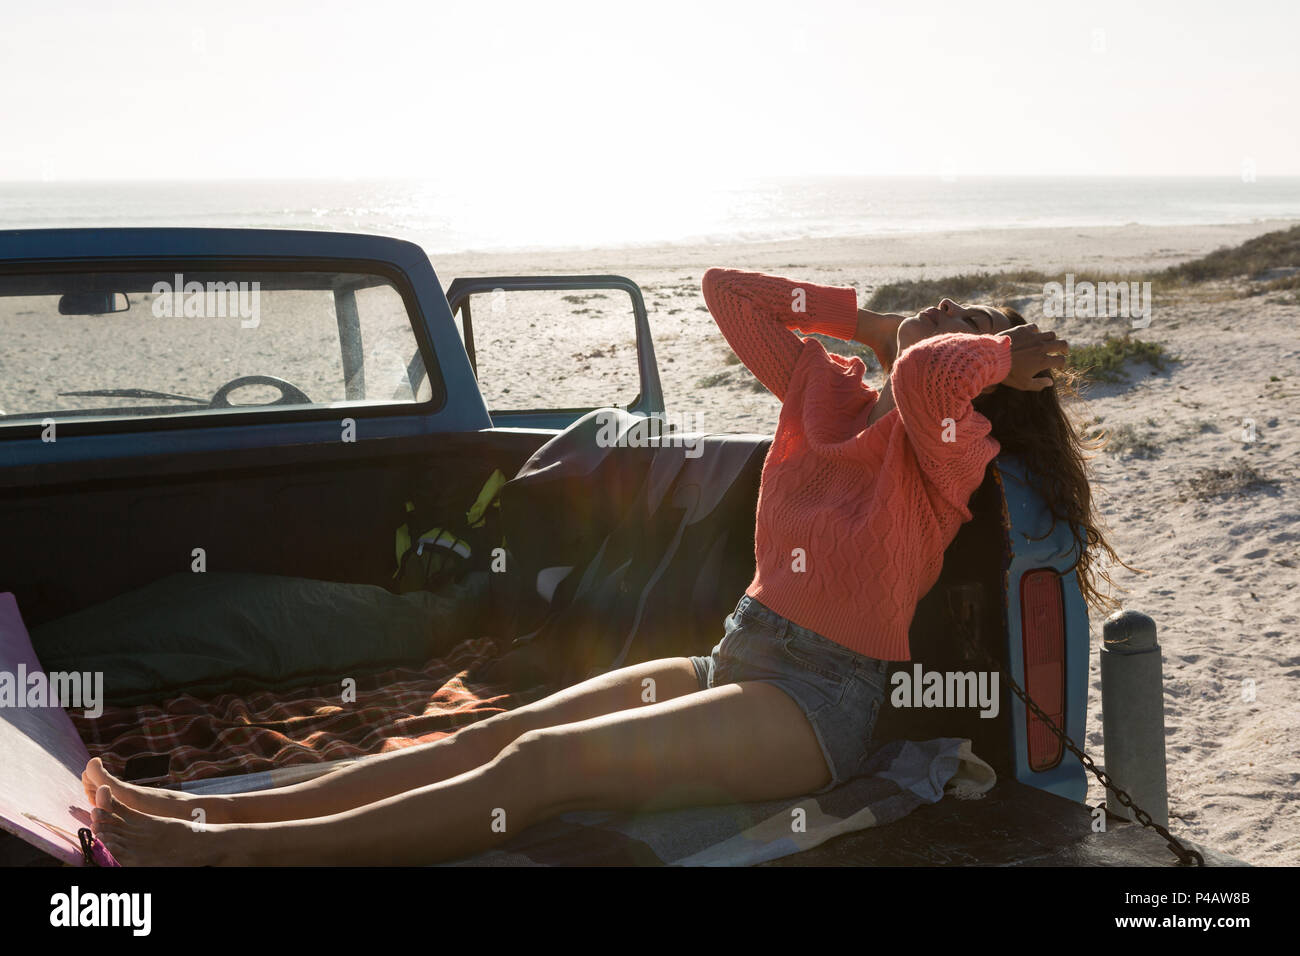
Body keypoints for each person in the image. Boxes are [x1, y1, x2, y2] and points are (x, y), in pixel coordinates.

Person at [84, 267, 1122, 866]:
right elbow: (732, 294)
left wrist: (972, 342)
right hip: (740, 658)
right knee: (502, 729)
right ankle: (213, 809)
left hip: (817, 707)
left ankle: (229, 857)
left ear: (988, 383)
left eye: (967, 316)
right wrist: (871, 320)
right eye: (942, 308)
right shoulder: (834, 398)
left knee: (535, 775)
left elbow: (941, 373)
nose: (943, 313)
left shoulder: (946, 446)